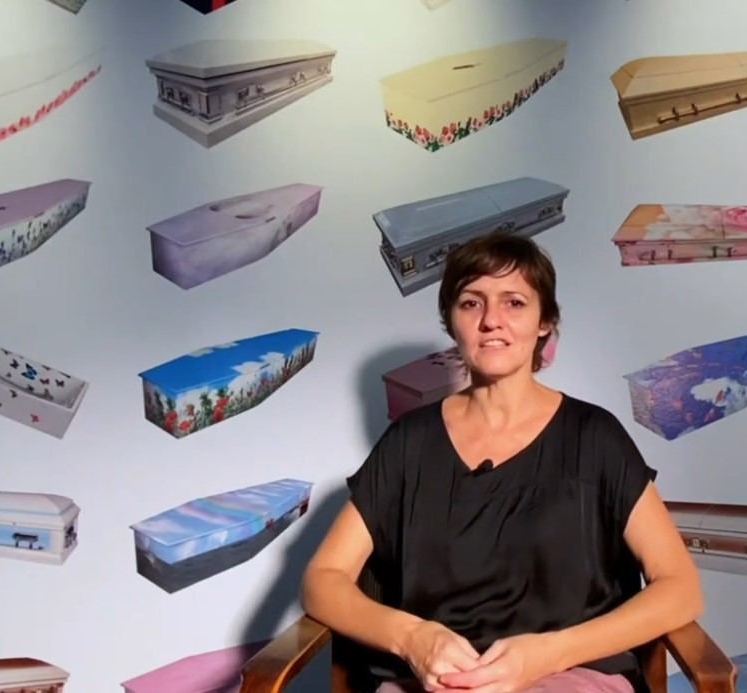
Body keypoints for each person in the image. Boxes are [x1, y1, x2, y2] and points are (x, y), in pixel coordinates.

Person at [301, 232, 702, 693]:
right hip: (435, 682)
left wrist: (548, 654)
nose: (492, 320)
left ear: (545, 321)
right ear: (451, 321)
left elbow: (679, 588)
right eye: (471, 303)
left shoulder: (594, 436)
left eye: (514, 302)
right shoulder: (409, 442)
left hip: (569, 675)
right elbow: (323, 579)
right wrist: (413, 638)